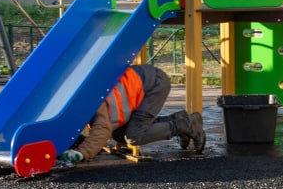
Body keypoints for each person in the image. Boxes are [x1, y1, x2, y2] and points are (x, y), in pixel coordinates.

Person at [57, 63, 205, 164]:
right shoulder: (81, 99)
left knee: (135, 137)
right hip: (142, 80)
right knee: (119, 135)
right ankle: (178, 119)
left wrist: (82, 153)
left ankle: (186, 124)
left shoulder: (92, 105)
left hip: (152, 85)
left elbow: (102, 131)